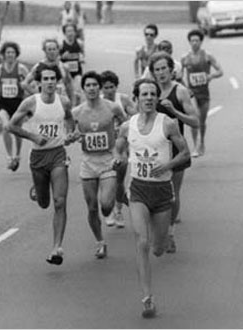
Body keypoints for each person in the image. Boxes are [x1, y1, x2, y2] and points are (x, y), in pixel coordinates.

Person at [114, 78, 190, 318]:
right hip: (138, 189)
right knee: (142, 242)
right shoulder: (127, 127)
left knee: (158, 248)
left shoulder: (168, 124)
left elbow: (186, 155)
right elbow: (118, 148)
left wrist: (168, 164)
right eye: (144, 94)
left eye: (152, 94)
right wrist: (119, 159)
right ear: (136, 99)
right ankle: (147, 298)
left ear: (157, 98)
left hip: (162, 191)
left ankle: (165, 237)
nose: (148, 98)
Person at [7, 63, 78, 265]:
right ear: (39, 83)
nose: (49, 82)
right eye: (45, 79)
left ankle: (57, 247)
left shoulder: (63, 102)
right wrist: (32, 136)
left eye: (52, 79)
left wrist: (71, 133)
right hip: (38, 158)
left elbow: (70, 119)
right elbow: (11, 125)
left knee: (59, 202)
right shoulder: (30, 103)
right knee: (44, 203)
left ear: (57, 81)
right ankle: (38, 189)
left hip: (57, 155)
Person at [72, 71, 127, 258]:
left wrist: (120, 141)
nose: (92, 88)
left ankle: (114, 206)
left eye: (95, 85)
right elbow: (68, 132)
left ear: (100, 87)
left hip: (107, 161)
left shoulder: (112, 108)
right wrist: (71, 136)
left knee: (105, 205)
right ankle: (100, 242)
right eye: (88, 85)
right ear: (84, 89)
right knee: (92, 208)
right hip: (88, 163)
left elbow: (127, 126)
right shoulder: (77, 112)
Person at [149, 53, 199, 253]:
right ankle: (157, 231)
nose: (161, 73)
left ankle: (169, 233)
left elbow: (195, 121)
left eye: (164, 68)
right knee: (153, 193)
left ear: (171, 70)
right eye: (157, 69)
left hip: (177, 149)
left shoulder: (181, 91)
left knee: (172, 194)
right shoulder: (149, 91)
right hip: (154, 150)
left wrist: (174, 111)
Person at [100, 70, 137, 228]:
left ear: (116, 86)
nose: (109, 90)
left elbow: (135, 116)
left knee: (119, 179)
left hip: (121, 145)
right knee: (106, 178)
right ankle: (109, 212)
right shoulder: (98, 102)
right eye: (106, 87)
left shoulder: (122, 99)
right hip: (104, 146)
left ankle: (118, 209)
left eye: (112, 87)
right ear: (101, 88)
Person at [181, 29, 223, 158]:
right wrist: (184, 87)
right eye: (192, 40)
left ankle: (202, 142)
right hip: (191, 93)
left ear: (201, 42)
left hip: (204, 93)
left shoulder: (207, 56)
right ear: (189, 42)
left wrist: (211, 76)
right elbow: (179, 75)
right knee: (195, 118)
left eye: (197, 40)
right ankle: (195, 146)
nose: (194, 43)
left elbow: (220, 71)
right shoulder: (184, 58)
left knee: (202, 121)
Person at [0, 41, 30, 171]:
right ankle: (9, 157)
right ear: (3, 54)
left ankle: (17, 155)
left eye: (12, 52)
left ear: (16, 54)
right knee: (6, 126)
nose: (10, 55)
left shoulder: (21, 68)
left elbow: (29, 81)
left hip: (18, 103)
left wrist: (25, 84)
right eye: (8, 52)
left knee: (17, 130)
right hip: (3, 102)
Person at [25, 38, 75, 104]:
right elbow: (25, 84)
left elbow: (69, 86)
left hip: (60, 103)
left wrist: (72, 102)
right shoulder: (38, 67)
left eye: (54, 49)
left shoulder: (63, 67)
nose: (52, 52)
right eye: (49, 49)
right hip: (45, 103)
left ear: (58, 50)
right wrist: (37, 94)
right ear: (45, 51)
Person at [60, 23, 85, 105]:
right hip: (66, 72)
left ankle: (77, 108)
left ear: (75, 32)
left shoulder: (79, 43)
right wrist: (62, 57)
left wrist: (81, 58)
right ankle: (68, 109)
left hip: (77, 71)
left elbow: (82, 54)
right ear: (65, 33)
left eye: (72, 31)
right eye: (68, 31)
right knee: (68, 92)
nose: (70, 33)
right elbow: (57, 59)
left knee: (78, 90)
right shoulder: (61, 45)